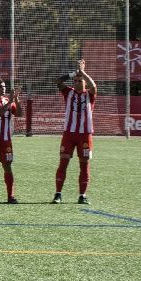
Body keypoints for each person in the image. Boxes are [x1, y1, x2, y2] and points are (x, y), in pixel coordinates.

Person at [53, 59, 98, 204]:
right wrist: (74, 73)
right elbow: (58, 80)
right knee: (63, 163)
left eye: (80, 80)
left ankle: (82, 196)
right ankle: (58, 194)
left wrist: (83, 72)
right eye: (76, 80)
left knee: (84, 165)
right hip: (69, 134)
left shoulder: (89, 95)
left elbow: (93, 86)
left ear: (84, 82)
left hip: (85, 135)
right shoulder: (68, 92)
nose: (77, 82)